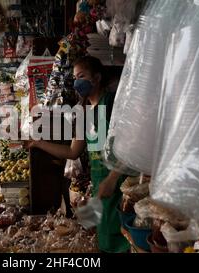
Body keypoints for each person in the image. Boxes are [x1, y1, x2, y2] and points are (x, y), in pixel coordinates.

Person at [26, 56, 129, 253]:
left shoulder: (112, 105)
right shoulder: (84, 113)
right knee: (104, 243)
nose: (76, 82)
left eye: (81, 76)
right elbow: (72, 152)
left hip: (121, 186)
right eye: (74, 78)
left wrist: (113, 178)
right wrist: (39, 143)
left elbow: (130, 146)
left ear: (97, 78)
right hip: (101, 189)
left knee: (124, 242)